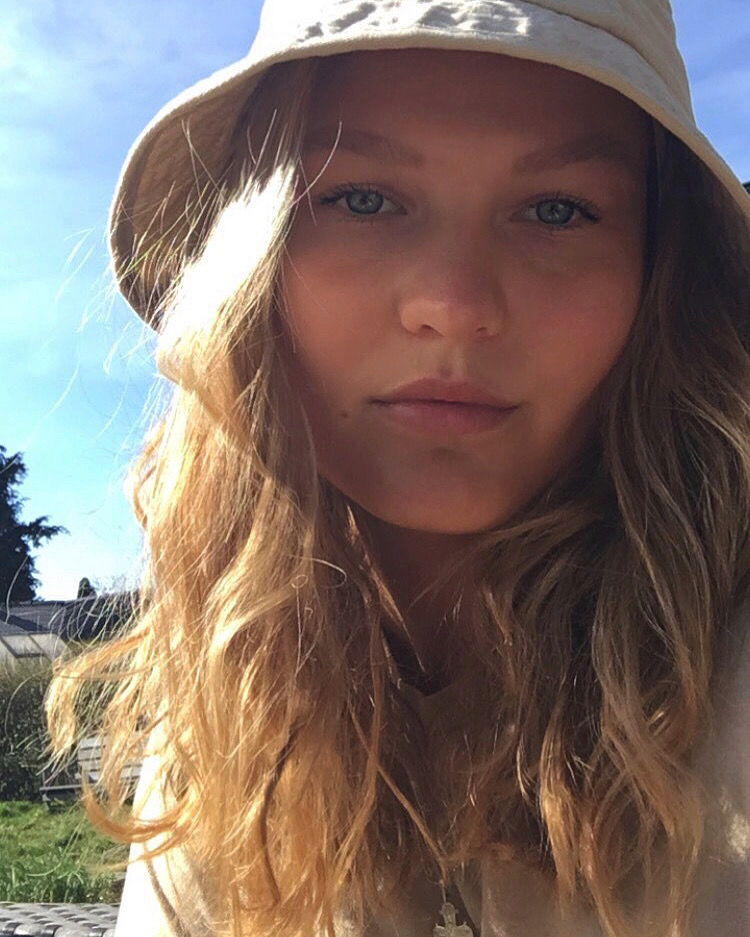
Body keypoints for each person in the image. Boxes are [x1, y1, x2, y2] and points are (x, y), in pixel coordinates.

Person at [45, 1, 750, 936]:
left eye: (558, 210)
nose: (453, 304)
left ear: (662, 272)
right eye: (363, 199)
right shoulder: (231, 687)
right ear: (253, 260)